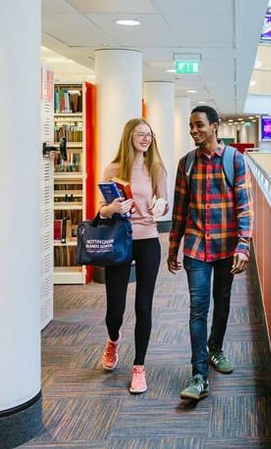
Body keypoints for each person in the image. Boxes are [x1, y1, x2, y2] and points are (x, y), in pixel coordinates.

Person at [167, 105, 253, 400]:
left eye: (199, 125)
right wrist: (173, 247)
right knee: (197, 309)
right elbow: (179, 209)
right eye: (191, 126)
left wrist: (243, 245)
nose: (194, 131)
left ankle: (215, 348)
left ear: (215, 126)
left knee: (223, 301)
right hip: (196, 247)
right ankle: (199, 375)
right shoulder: (186, 163)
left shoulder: (234, 160)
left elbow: (244, 205)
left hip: (227, 246)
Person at [99, 118, 168, 394]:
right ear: (129, 136)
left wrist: (160, 206)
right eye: (140, 134)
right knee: (115, 308)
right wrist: (112, 208)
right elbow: (101, 211)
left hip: (149, 240)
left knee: (143, 306)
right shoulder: (113, 169)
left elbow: (164, 203)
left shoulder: (157, 169)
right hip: (120, 241)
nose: (145, 139)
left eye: (149, 135)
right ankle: (113, 340)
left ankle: (139, 367)